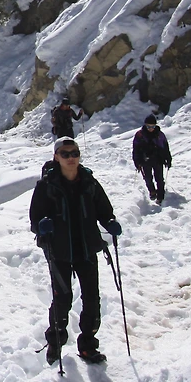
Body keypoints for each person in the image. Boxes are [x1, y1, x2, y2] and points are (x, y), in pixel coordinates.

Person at [30, 136, 122, 365]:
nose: (71, 158)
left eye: (74, 153)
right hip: (58, 249)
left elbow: (104, 209)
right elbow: (35, 218)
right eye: (65, 154)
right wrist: (42, 225)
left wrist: (109, 221)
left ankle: (88, 345)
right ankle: (55, 341)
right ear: (56, 157)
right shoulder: (46, 186)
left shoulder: (89, 182)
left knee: (91, 298)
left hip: (87, 247)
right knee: (63, 299)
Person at [132, 114, 172, 203]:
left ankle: (160, 195)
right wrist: (137, 161)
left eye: (152, 126)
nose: (150, 128)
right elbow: (136, 150)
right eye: (148, 126)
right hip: (145, 161)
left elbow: (165, 148)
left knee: (159, 178)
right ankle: (152, 191)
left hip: (158, 159)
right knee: (148, 178)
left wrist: (168, 159)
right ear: (145, 125)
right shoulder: (139, 135)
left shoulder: (160, 135)